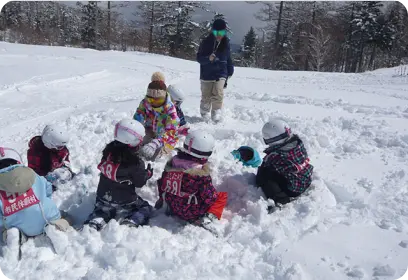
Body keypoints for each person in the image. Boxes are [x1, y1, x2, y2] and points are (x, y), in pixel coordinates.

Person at [84, 119, 154, 231]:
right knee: (145, 207)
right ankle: (132, 221)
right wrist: (148, 173)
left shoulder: (108, 152)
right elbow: (140, 182)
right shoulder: (135, 162)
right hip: (125, 201)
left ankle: (97, 219)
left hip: (102, 197)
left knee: (102, 210)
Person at [155, 130, 228, 234]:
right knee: (221, 196)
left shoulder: (172, 163)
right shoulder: (200, 174)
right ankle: (209, 217)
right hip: (191, 212)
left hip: (172, 205)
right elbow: (209, 198)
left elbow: (162, 184)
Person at [0, 147, 70, 243]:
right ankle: (54, 228)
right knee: (61, 218)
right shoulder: (32, 174)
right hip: (46, 217)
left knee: (6, 230)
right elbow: (47, 188)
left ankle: (15, 236)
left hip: (19, 226)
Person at [255, 119, 314, 207]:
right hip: (305, 179)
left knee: (264, 176)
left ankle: (281, 200)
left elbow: (265, 166)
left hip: (294, 189)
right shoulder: (298, 143)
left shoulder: (277, 156)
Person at [134, 72, 180, 161]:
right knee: (136, 144)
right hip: (149, 129)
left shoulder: (170, 109)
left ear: (164, 97)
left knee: (158, 156)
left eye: (158, 100)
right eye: (151, 99)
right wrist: (137, 132)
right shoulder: (145, 103)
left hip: (165, 135)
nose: (154, 102)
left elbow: (171, 131)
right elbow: (137, 118)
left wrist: (155, 143)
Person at [196, 18, 234, 122]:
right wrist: (208, 59)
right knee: (206, 96)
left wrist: (230, 72)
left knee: (218, 92)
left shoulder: (226, 43)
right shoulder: (205, 42)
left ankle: (217, 113)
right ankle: (204, 113)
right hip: (206, 75)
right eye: (216, 32)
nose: (219, 34)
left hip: (221, 73)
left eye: (221, 32)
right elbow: (199, 58)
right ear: (212, 31)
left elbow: (228, 59)